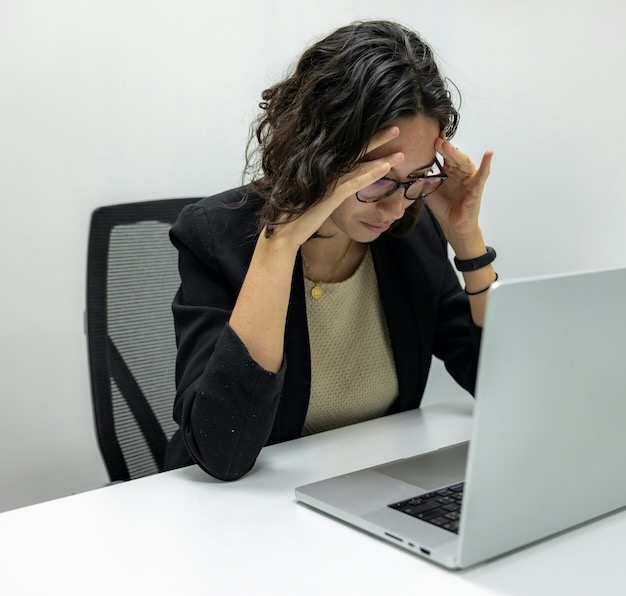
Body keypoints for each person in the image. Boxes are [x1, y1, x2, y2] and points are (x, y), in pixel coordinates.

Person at [164, 20, 496, 480]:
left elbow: (504, 388)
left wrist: (468, 243)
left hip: (367, 493)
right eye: (377, 177)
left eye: (417, 178)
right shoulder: (216, 236)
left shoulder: (410, 238)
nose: (395, 207)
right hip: (239, 517)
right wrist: (279, 246)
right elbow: (223, 452)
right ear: (317, 151)